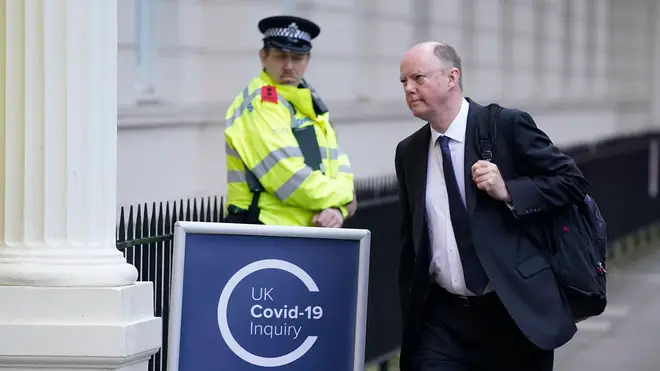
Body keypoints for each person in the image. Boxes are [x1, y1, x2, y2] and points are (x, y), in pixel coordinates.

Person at [394, 41, 589, 370]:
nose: (409, 89)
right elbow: (410, 237)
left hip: (513, 314)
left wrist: (509, 191)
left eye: (418, 78)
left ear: (452, 77)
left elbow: (572, 181)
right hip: (443, 321)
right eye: (404, 82)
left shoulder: (505, 126)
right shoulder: (409, 152)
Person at [224, 15, 357, 227]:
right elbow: (289, 178)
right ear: (263, 56)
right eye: (280, 56)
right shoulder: (260, 104)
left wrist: (338, 210)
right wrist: (346, 197)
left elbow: (337, 164)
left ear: (308, 60)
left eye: (297, 58)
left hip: (307, 232)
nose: (289, 66)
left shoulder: (309, 103)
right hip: (265, 231)